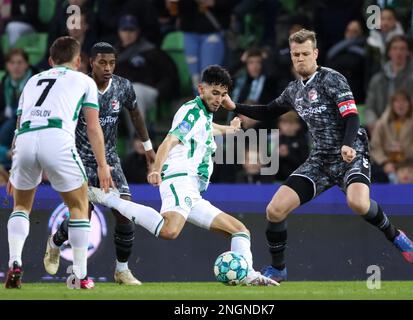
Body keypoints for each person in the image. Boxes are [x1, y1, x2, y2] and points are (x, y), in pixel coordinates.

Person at [222, 29, 413, 283]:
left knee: (358, 204)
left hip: (351, 153)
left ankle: (395, 235)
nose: (300, 59)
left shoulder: (332, 79)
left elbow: (352, 116)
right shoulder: (294, 90)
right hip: (321, 159)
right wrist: (235, 106)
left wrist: (348, 145)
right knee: (274, 210)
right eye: (296, 55)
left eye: (305, 53)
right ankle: (279, 268)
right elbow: (268, 110)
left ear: (315, 53)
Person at [89, 65, 279, 286]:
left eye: (223, 94)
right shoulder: (192, 111)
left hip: (193, 190)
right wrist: (156, 169)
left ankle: (248, 274)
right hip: (180, 178)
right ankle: (107, 198)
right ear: (201, 89)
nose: (219, 99)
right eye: (215, 93)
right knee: (170, 231)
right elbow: (170, 140)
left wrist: (230, 129)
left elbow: (207, 128)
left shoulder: (202, 114)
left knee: (240, 231)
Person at [43, 42, 156, 286]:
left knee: (125, 212)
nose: (108, 68)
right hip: (80, 157)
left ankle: (122, 270)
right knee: (83, 213)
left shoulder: (123, 86)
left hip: (110, 158)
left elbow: (135, 113)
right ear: (90, 61)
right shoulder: (77, 86)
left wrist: (148, 147)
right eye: (102, 62)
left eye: (112, 63)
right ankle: (55, 242)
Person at [4, 36, 112, 289]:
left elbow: (19, 126)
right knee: (79, 205)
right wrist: (102, 164)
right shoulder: (85, 80)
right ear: (78, 61)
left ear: (51, 61)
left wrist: (12, 169)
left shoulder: (32, 81)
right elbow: (94, 128)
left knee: (20, 205)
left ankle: (14, 263)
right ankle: (80, 277)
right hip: (57, 138)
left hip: (26, 140)